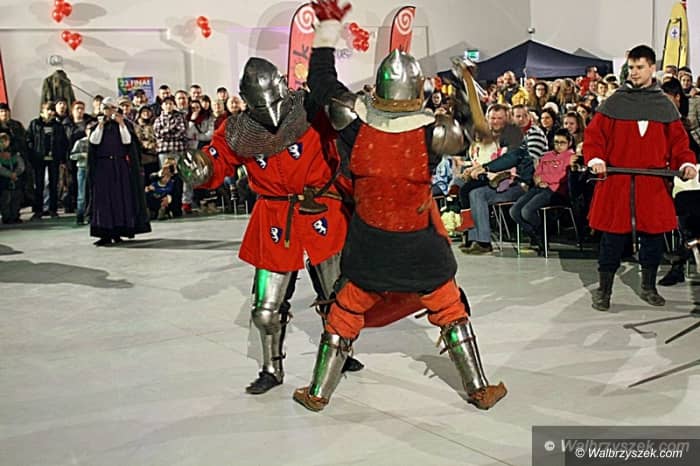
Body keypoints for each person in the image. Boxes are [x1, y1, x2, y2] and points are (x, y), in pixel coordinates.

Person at [292, 0, 506, 413]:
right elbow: (468, 130)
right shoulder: (433, 134)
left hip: (370, 246)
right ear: (417, 91)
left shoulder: (355, 124)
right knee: (450, 309)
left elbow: (320, 81)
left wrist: (328, 29)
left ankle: (318, 392)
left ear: (379, 88)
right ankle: (479, 387)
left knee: (344, 312)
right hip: (420, 247)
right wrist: (466, 91)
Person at [179, 55, 364, 395]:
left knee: (337, 297)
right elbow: (218, 159)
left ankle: (343, 351)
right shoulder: (238, 129)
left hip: (322, 209)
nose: (271, 111)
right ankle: (270, 368)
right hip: (275, 216)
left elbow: (350, 133)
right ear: (246, 102)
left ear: (283, 86)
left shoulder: (310, 109)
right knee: (265, 310)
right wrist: (201, 167)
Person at [584, 45, 697, 312]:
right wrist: (596, 158)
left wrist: (686, 163)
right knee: (612, 239)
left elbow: (679, 143)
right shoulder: (614, 102)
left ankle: (648, 286)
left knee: (654, 238)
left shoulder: (664, 106)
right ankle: (604, 289)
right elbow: (594, 137)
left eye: (640, 67)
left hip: (652, 183)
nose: (634, 72)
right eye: (631, 67)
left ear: (652, 69)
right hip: (617, 182)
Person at [88, 97, 151, 245]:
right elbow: (94, 141)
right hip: (103, 167)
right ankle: (105, 233)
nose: (109, 111)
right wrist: (101, 125)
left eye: (111, 108)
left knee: (120, 199)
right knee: (104, 201)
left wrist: (121, 123)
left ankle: (119, 231)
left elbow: (127, 141)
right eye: (106, 108)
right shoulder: (96, 125)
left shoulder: (124, 125)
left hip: (120, 166)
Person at [658, 78, 700, 286]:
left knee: (687, 212)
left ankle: (680, 257)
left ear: (677, 98)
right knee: (683, 214)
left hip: (693, 178)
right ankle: (682, 255)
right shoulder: (663, 124)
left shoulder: (685, 125)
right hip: (679, 181)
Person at [510, 128, 574, 252]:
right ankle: (537, 234)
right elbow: (537, 173)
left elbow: (562, 176)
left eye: (562, 143)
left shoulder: (571, 157)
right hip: (539, 187)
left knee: (527, 211)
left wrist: (544, 179)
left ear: (569, 143)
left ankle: (542, 235)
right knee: (514, 211)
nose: (558, 145)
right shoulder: (547, 156)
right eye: (556, 142)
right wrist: (538, 180)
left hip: (555, 191)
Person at [27, 101, 69, 219]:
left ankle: (53, 209)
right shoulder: (35, 124)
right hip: (39, 159)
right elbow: (29, 140)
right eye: (48, 110)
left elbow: (64, 143)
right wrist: (33, 155)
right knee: (39, 185)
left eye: (52, 110)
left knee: (53, 184)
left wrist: (62, 159)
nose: (50, 112)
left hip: (54, 159)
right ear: (42, 111)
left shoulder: (58, 126)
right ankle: (38, 210)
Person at [0, 130, 26, 223]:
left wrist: (16, 174)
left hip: (16, 179)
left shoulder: (15, 152)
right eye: (1, 141)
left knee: (16, 197)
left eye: (5, 141)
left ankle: (15, 216)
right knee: (5, 199)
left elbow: (21, 165)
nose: (3, 143)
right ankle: (6, 217)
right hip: (3, 180)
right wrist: (9, 175)